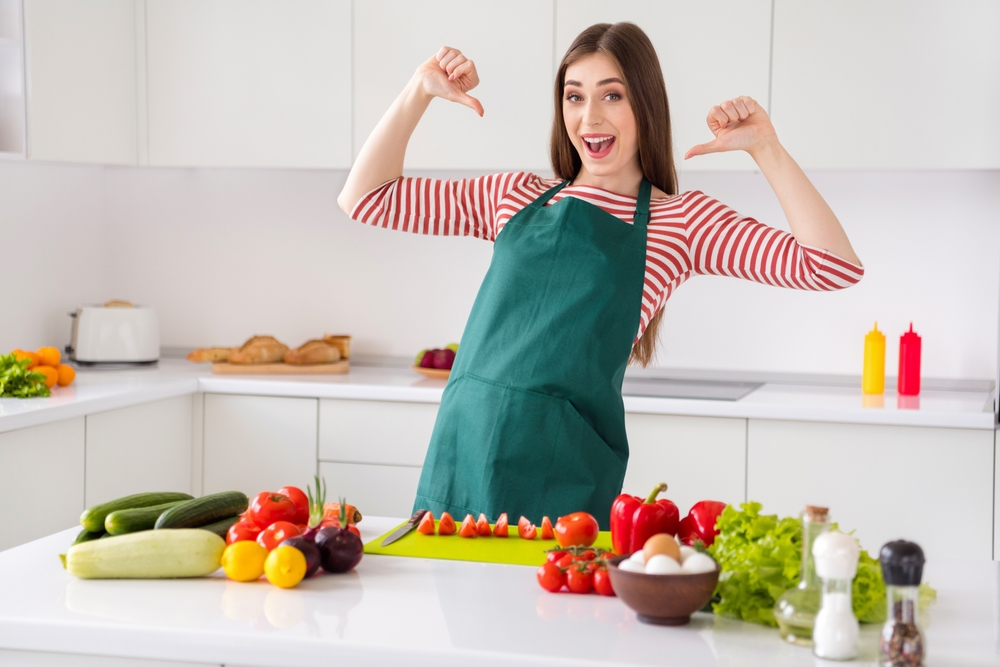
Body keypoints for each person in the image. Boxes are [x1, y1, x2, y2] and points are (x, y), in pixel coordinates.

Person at [338, 23, 862, 528]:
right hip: (463, 453)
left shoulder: (680, 222)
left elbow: (831, 265)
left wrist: (765, 147)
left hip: (561, 480)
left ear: (645, 106)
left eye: (612, 96)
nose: (590, 116)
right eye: (574, 96)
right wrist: (418, 91)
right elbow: (363, 199)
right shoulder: (511, 195)